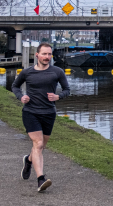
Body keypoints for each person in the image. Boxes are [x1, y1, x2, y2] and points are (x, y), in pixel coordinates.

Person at [11, 42, 70, 192]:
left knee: (41, 146)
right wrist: (21, 97)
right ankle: (41, 179)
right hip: (31, 112)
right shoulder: (27, 72)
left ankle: (28, 160)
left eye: (49, 54)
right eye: (44, 54)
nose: (47, 57)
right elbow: (15, 86)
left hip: (49, 113)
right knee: (37, 144)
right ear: (37, 55)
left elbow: (67, 90)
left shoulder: (57, 72)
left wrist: (58, 96)